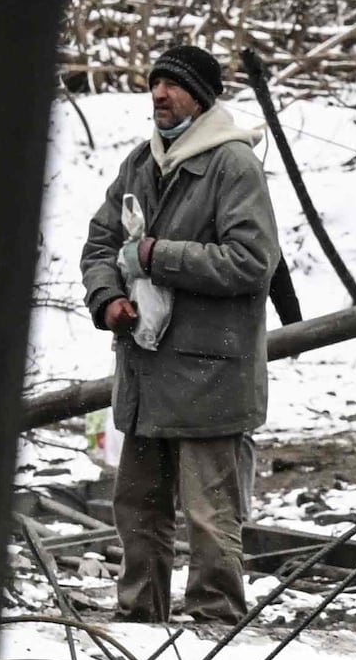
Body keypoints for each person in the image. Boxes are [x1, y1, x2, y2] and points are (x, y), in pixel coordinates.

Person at [80, 40, 283, 627]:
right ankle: (139, 632)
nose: (159, 95)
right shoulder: (142, 163)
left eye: (171, 85)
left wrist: (154, 254)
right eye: (153, 85)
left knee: (210, 521)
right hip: (146, 378)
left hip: (211, 381)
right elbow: (99, 243)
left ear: (201, 95)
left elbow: (251, 262)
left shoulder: (232, 164)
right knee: (136, 515)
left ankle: (217, 637)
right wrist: (109, 298)